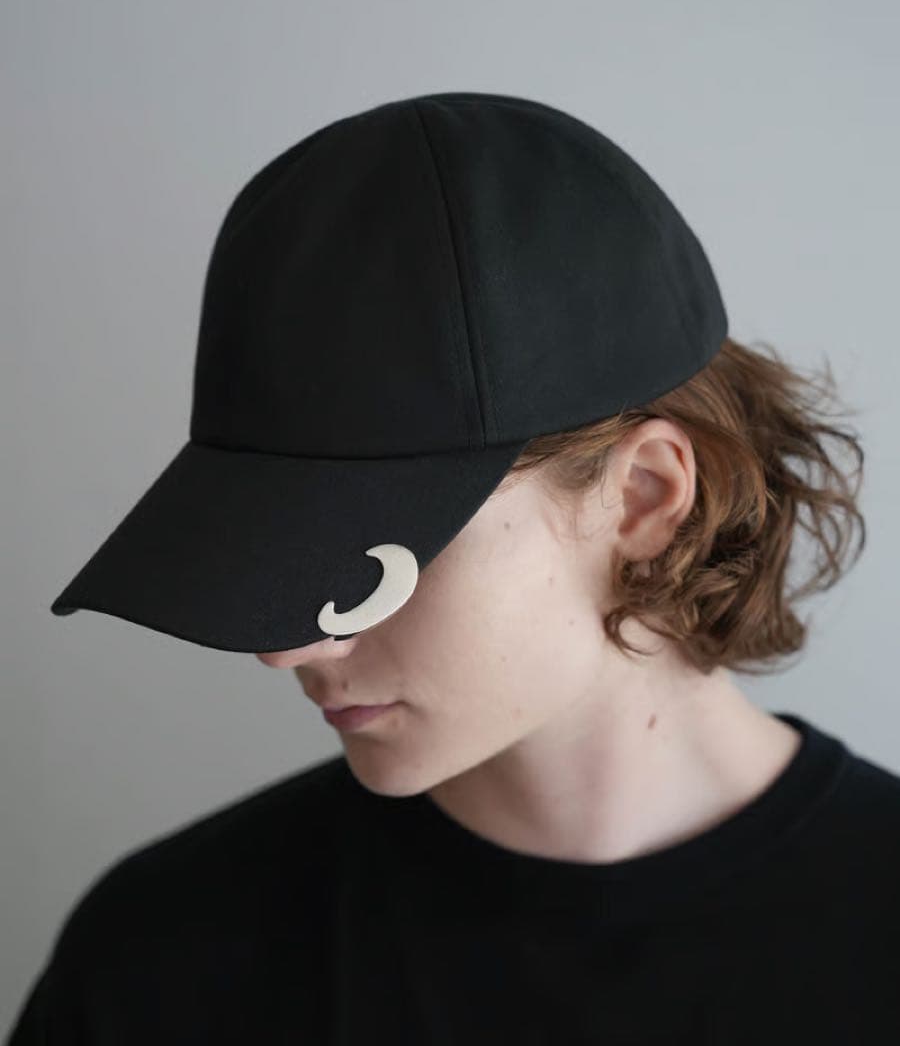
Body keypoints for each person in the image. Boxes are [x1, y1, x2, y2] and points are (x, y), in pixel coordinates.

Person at [7, 92, 900, 1044]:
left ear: (644, 496)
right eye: (275, 553)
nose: (288, 646)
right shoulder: (161, 964)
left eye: (372, 555)